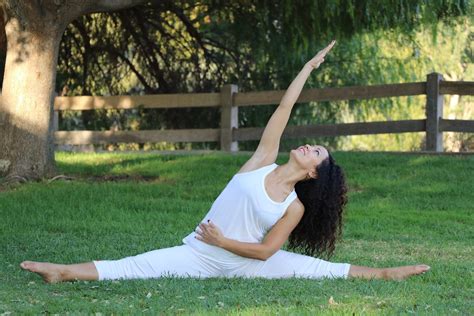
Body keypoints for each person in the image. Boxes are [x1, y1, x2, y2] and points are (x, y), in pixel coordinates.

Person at [20, 40, 430, 283]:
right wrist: (308, 67)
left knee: (318, 270)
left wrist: (224, 242)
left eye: (316, 153)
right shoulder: (263, 160)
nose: (309, 147)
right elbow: (285, 109)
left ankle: (386, 274)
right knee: (134, 266)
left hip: (245, 263)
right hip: (200, 254)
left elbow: (267, 253)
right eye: (312, 146)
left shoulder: (294, 206)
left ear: (313, 173)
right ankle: (63, 271)